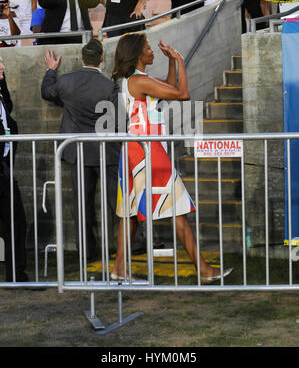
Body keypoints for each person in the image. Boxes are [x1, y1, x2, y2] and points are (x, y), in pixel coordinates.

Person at [110, 32, 233, 283]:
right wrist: (180, 59)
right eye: (148, 47)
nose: (152, 50)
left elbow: (167, 87)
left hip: (135, 150)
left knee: (130, 213)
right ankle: (204, 270)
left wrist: (171, 63)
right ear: (137, 54)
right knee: (178, 210)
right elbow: (182, 94)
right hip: (147, 150)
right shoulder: (138, 81)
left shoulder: (137, 79)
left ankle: (119, 269)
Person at [41, 39, 121, 261]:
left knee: (81, 205)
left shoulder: (66, 81)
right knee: (118, 203)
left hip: (77, 152)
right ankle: (128, 247)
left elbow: (47, 92)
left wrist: (50, 70)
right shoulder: (109, 86)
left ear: (81, 59)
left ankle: (86, 251)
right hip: (106, 152)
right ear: (102, 58)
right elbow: (119, 120)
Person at [0, 57, 28, 282]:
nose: (2, 67)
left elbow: (8, 107)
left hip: (4, 168)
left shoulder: (1, 95)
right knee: (13, 221)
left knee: (15, 221)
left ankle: (16, 274)